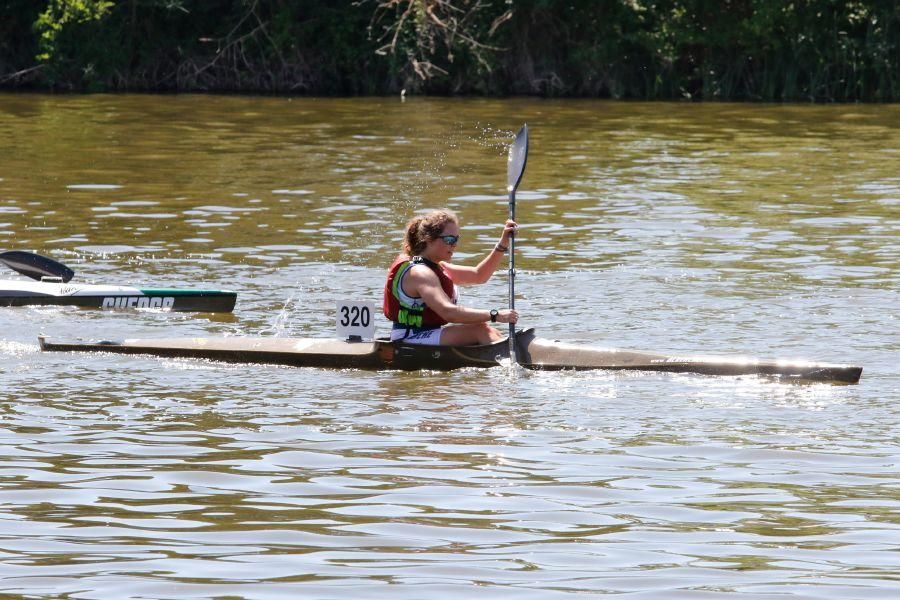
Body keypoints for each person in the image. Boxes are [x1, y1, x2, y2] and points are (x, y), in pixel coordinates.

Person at [383, 209, 519, 345]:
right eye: (449, 240)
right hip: (408, 338)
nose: (454, 245)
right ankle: (515, 361)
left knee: (485, 328)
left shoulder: (436, 266)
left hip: (427, 334)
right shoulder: (420, 273)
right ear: (428, 239)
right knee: (480, 331)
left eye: (456, 239)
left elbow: (479, 275)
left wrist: (503, 243)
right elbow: (448, 312)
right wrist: (495, 315)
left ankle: (512, 354)